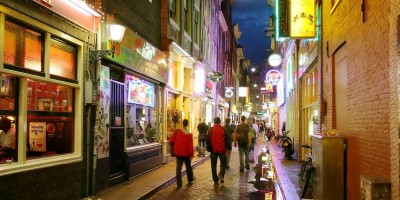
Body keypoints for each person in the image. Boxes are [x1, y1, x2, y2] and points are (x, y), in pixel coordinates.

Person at [169, 119, 195, 187]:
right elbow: (190, 146)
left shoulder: (177, 132)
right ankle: (190, 179)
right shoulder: (189, 135)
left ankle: (179, 183)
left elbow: (171, 140)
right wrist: (191, 154)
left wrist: (173, 145)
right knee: (188, 167)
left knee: (179, 168)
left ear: (182, 124)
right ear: (187, 124)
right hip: (186, 154)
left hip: (179, 153)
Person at [208, 117, 231, 184]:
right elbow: (227, 139)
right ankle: (221, 174)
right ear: (220, 122)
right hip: (222, 150)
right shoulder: (223, 129)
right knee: (224, 163)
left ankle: (215, 179)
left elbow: (208, 139)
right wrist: (229, 148)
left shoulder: (211, 130)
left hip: (213, 150)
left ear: (214, 122)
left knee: (213, 165)